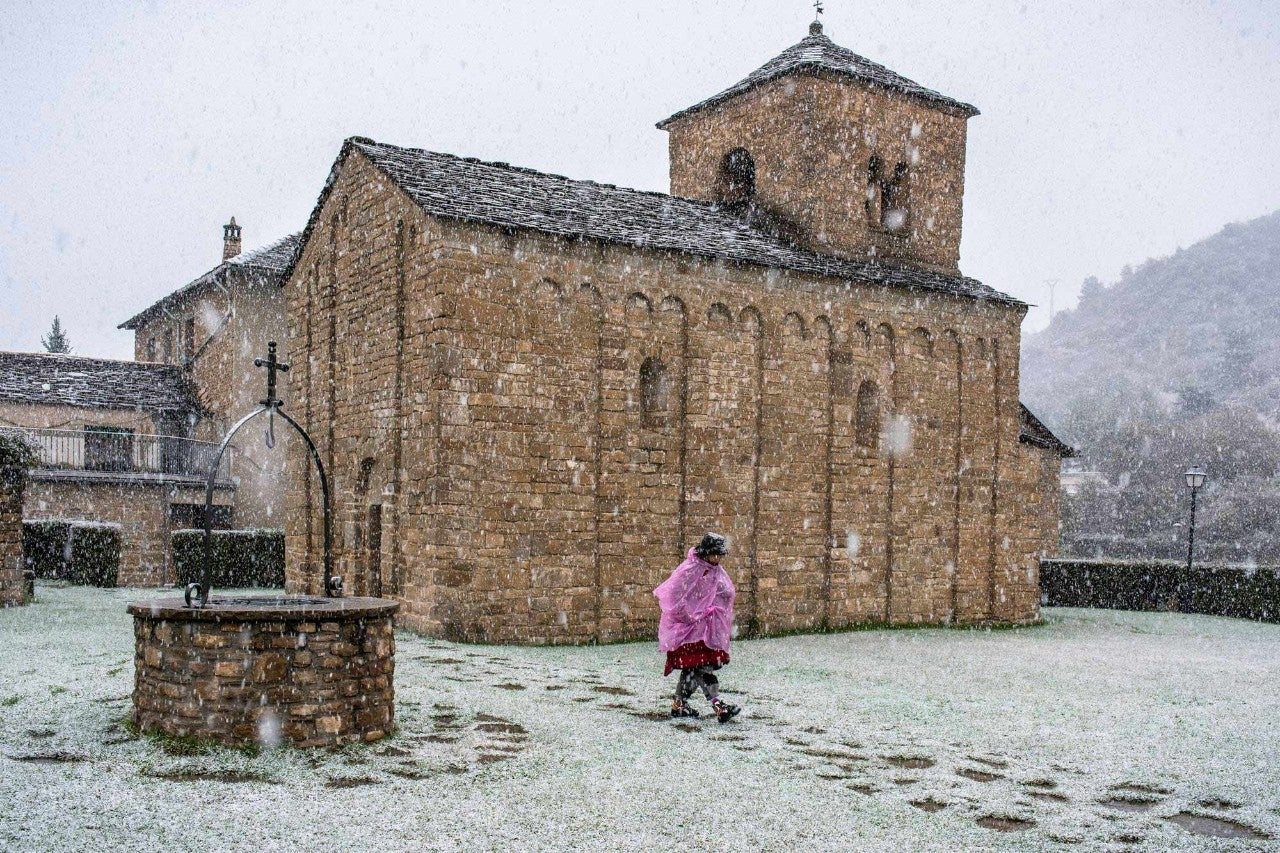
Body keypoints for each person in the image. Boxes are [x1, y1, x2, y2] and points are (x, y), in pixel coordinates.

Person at [654, 532, 741, 723]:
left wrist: (713, 607)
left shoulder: (715, 570)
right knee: (702, 667)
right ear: (706, 552)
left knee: (693, 668)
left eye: (720, 555)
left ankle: (679, 705)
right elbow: (674, 595)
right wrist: (691, 613)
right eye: (714, 554)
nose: (718, 558)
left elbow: (726, 591)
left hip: (706, 630)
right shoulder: (691, 569)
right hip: (689, 630)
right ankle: (718, 706)